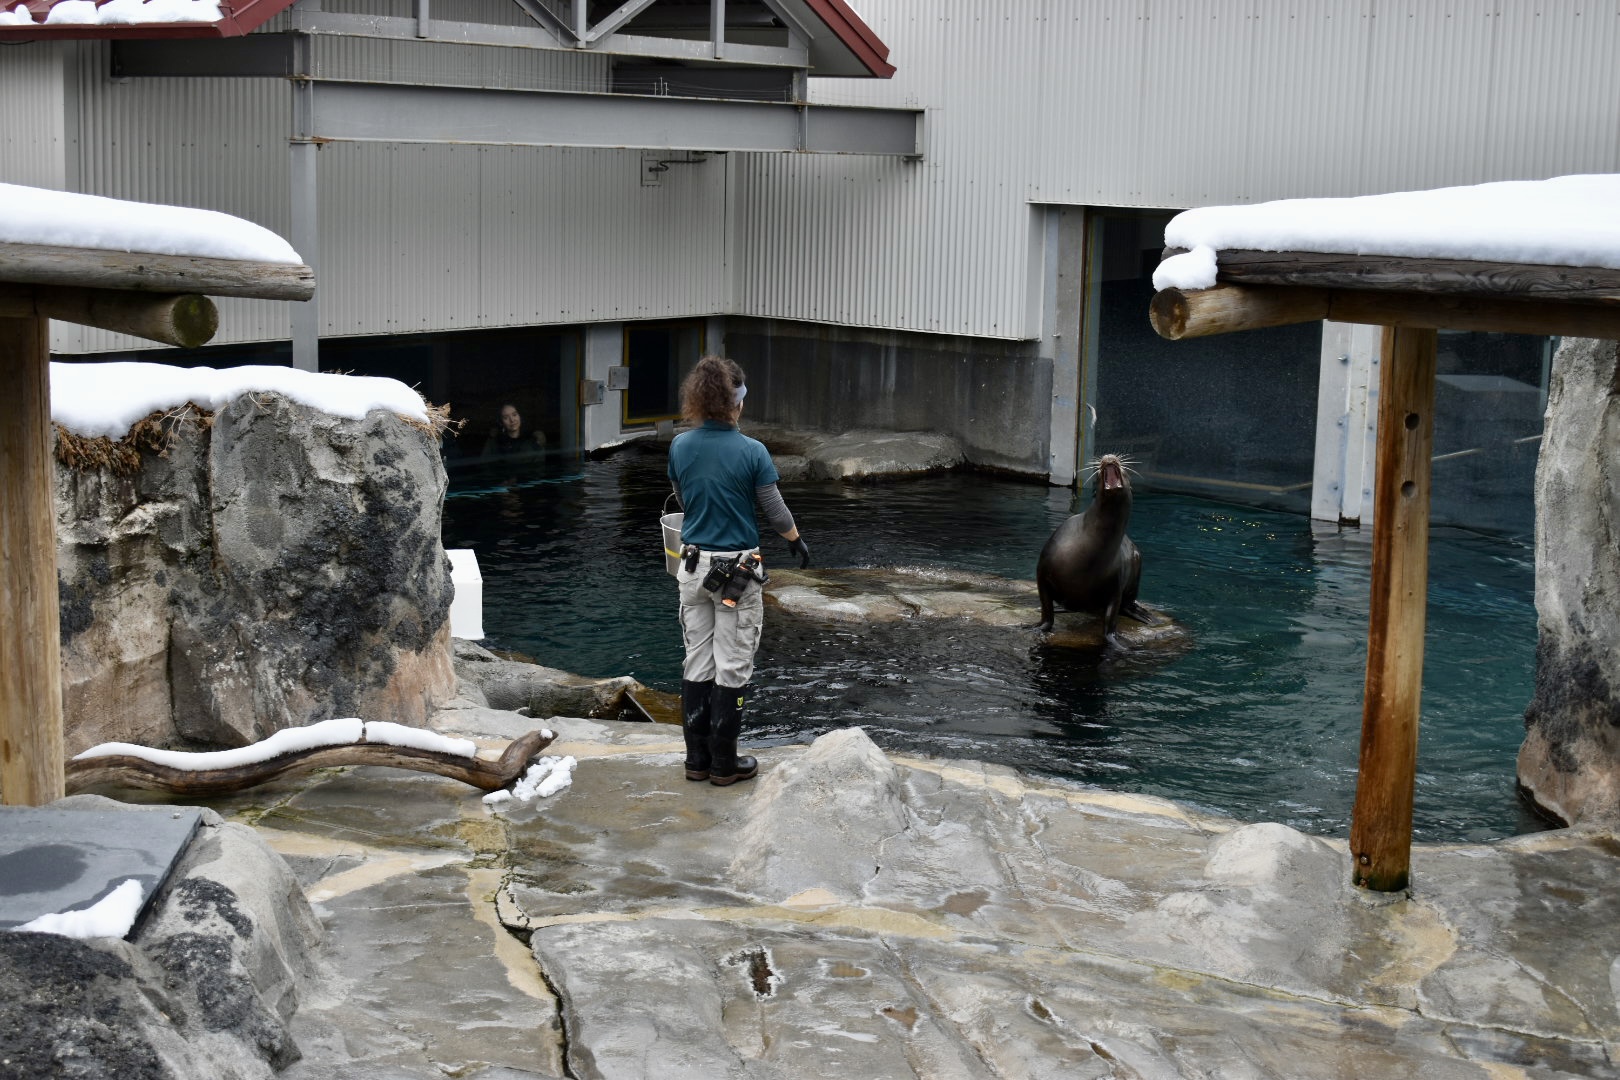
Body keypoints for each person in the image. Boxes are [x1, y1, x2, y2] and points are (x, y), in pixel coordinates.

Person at [668, 356, 811, 787]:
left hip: (692, 565)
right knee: (732, 665)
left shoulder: (679, 446)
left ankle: (696, 760)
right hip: (739, 573)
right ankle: (724, 765)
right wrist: (795, 541)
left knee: (697, 659)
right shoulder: (752, 451)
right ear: (736, 404)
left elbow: (681, 495)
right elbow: (773, 508)